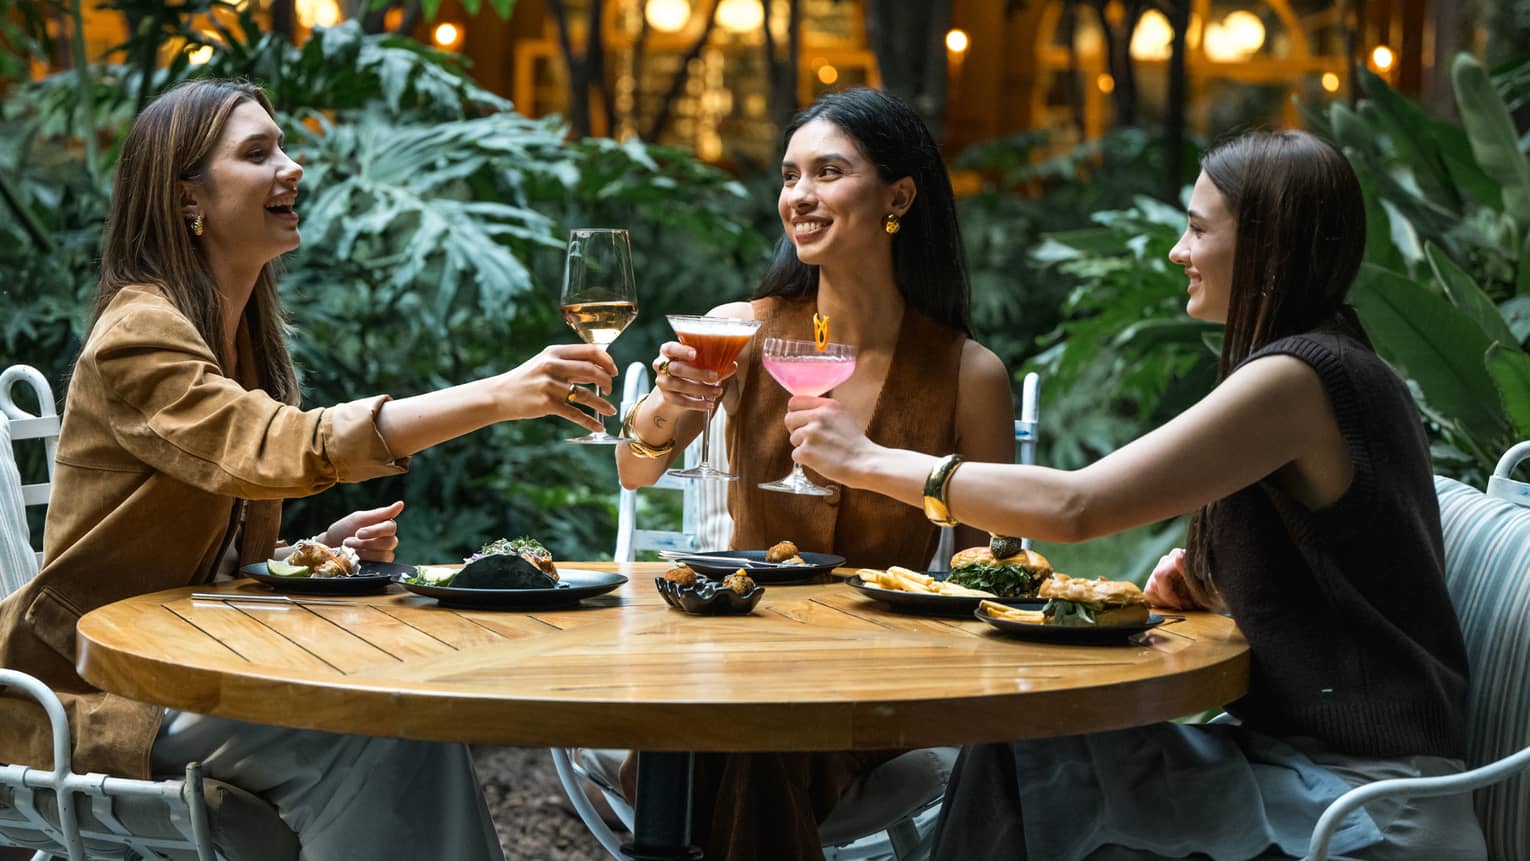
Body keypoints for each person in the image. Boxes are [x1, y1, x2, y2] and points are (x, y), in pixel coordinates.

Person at [781, 129, 1489, 859]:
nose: (1179, 252)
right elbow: (1358, 572)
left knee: (1027, 766)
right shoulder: (1328, 362)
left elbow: (1077, 506)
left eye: (1197, 229)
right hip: (1305, 771)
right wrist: (1224, 587)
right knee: (1022, 751)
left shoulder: (1302, 376)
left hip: (1365, 807)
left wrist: (871, 461)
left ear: (1267, 250)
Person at [0, 79, 619, 860]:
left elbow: (209, 545)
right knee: (371, 733)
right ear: (187, 198)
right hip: (96, 689)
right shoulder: (139, 333)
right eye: (258, 153)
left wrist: (309, 553)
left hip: (192, 664)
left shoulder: (240, 337)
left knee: (405, 710)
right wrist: (499, 395)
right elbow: (281, 446)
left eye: (283, 147)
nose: (291, 168)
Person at [614, 88, 1016, 860]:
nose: (799, 196)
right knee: (752, 727)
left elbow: (991, 563)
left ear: (898, 196)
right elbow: (636, 467)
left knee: (749, 737)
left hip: (877, 671)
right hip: (738, 647)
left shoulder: (968, 372)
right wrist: (666, 406)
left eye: (828, 172)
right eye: (791, 175)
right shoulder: (741, 329)